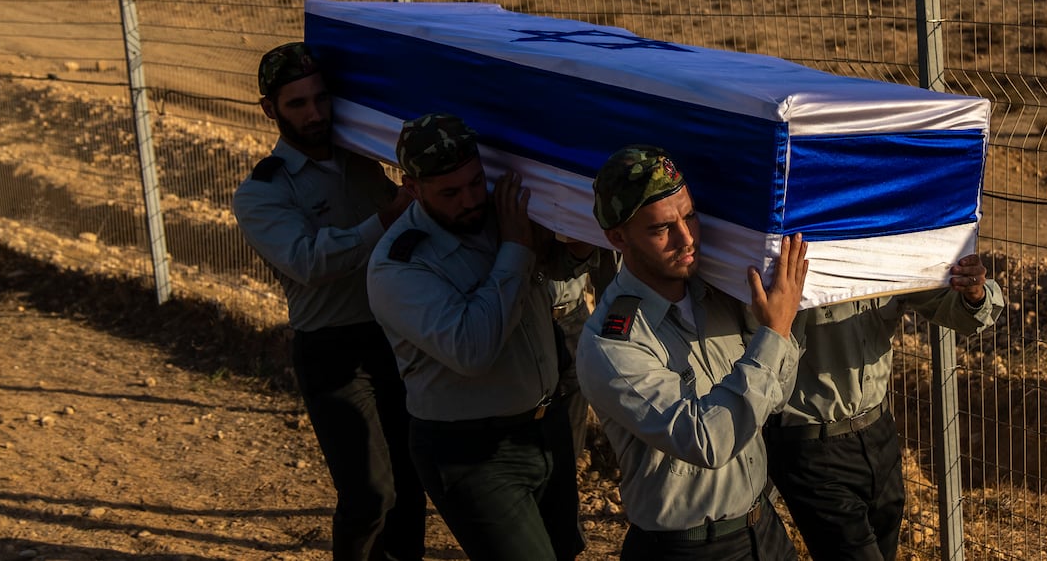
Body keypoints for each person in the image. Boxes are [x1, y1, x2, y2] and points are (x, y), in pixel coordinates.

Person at [231, 42, 425, 561]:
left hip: (395, 337)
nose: (315, 114)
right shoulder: (262, 192)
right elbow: (308, 262)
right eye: (297, 104)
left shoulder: (362, 159)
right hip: (334, 353)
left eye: (321, 99)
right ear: (270, 109)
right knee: (369, 495)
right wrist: (387, 217)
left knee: (411, 486)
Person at [366, 113, 588, 561]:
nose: (469, 200)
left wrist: (575, 246)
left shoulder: (492, 213)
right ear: (411, 187)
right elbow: (473, 349)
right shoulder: (398, 266)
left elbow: (549, 273)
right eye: (449, 192)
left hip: (545, 429)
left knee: (564, 551)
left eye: (474, 183)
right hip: (472, 453)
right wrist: (516, 247)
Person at [577, 145, 809, 561]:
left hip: (763, 530)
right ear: (617, 237)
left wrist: (775, 334)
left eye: (690, 216)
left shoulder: (719, 294)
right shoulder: (613, 342)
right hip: (687, 550)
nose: (687, 239)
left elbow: (776, 395)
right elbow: (708, 442)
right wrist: (774, 331)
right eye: (661, 229)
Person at [766, 256, 1005, 561]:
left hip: (880, 434)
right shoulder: (795, 243)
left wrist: (974, 294)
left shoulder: (886, 242)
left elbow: (946, 299)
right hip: (810, 444)